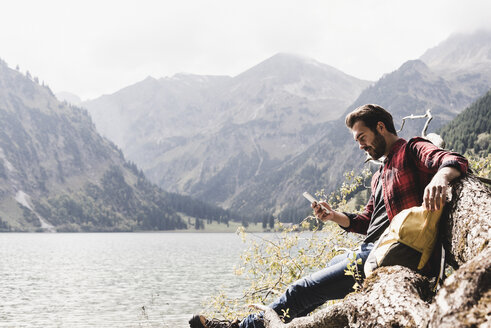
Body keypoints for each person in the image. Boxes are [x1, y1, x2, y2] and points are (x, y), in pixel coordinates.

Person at [189, 104, 468, 328]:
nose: (360, 145)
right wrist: (335, 216)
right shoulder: (380, 175)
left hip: (392, 255)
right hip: (370, 249)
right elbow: (367, 221)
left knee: (302, 290)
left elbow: (454, 159)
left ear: (380, 127)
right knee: (311, 290)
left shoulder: (411, 150)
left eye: (362, 137)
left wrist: (440, 178)